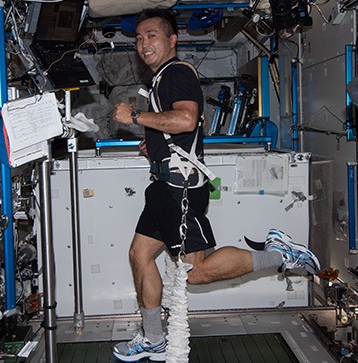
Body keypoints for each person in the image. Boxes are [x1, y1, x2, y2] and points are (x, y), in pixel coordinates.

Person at [111, 8, 320, 362]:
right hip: (165, 186)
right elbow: (179, 127)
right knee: (140, 254)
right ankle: (154, 338)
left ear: (172, 40)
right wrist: (157, 147)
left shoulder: (176, 73)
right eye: (139, 38)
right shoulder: (161, 78)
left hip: (179, 190)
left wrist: (133, 116)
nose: (143, 43)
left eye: (152, 36)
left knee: (196, 271)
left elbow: (187, 118)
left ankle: (280, 255)